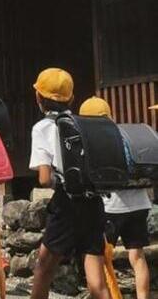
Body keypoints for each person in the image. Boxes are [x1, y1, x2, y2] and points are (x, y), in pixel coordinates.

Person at [28, 68, 110, 299]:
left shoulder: (42, 128)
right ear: (72, 99)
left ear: (38, 98)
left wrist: (59, 180)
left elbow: (44, 178)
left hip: (66, 203)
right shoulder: (85, 123)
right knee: (97, 281)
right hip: (93, 201)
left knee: (44, 268)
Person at [80, 97, 151, 299]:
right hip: (140, 202)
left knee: (98, 257)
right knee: (137, 256)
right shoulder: (125, 133)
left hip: (112, 206)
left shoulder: (93, 139)